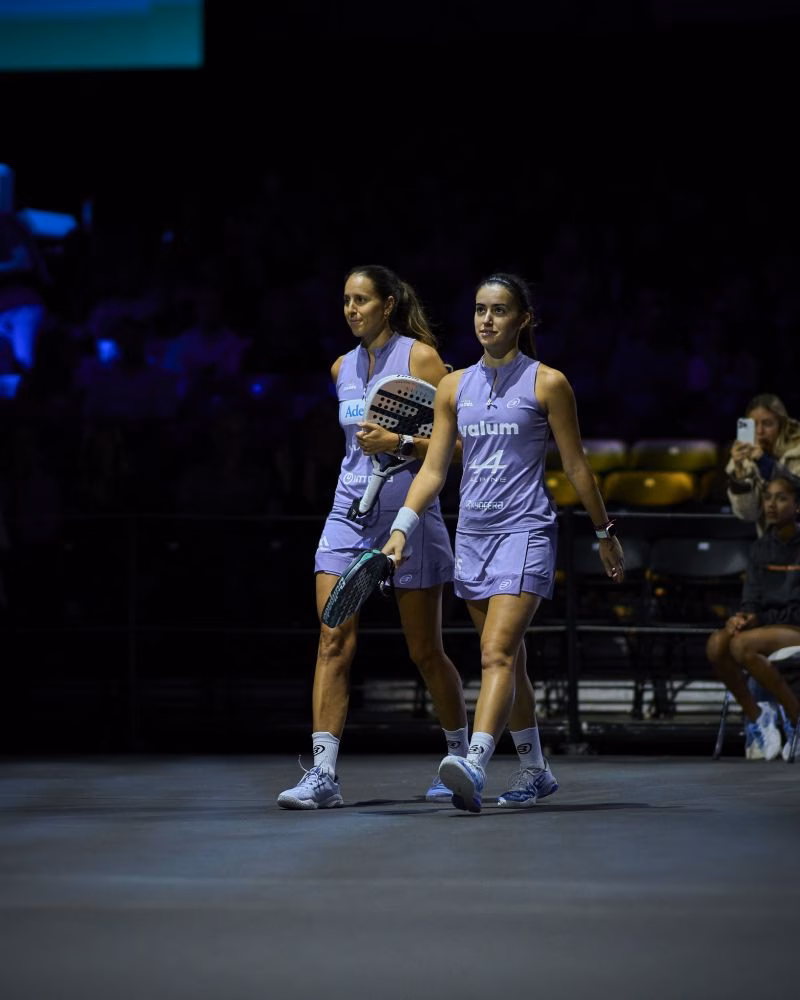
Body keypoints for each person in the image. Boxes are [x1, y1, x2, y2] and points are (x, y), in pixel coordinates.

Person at [382, 272, 626, 813]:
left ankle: (474, 762)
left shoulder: (548, 383)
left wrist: (604, 532)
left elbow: (576, 465)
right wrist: (401, 529)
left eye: (498, 310)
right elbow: (433, 471)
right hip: (472, 537)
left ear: (523, 319)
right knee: (510, 662)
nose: (486, 320)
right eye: (479, 310)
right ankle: (535, 770)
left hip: (526, 532)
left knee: (494, 653)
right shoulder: (453, 386)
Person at [277, 264, 470, 809]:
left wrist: (398, 442)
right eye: (345, 300)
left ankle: (460, 759)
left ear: (388, 304)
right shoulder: (341, 367)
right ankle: (323, 776)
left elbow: (456, 448)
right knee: (331, 639)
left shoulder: (421, 358)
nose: (351, 309)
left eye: (361, 300)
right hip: (348, 512)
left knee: (425, 651)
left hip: (409, 515)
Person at [705, 474, 800, 762]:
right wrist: (743, 618)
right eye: (768, 498)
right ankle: (759, 716)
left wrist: (759, 621)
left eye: (781, 498)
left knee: (742, 645)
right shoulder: (760, 548)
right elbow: (752, 598)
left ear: (797, 506)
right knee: (717, 644)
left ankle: (795, 716)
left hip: (794, 626)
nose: (771, 504)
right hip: (766, 628)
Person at [726, 393, 800, 536]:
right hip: (773, 544)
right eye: (753, 425)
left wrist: (765, 463)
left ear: (782, 424)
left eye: (767, 424)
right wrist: (740, 474)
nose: (759, 431)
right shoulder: (743, 458)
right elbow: (748, 514)